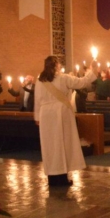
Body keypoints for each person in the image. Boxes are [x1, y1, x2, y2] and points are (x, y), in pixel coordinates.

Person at [34, 56, 98, 187]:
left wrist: (37, 117)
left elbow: (37, 100)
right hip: (60, 114)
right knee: (62, 144)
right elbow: (82, 82)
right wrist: (92, 69)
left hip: (45, 115)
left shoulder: (40, 81)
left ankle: (52, 178)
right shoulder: (63, 78)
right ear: (56, 65)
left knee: (50, 146)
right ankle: (62, 178)